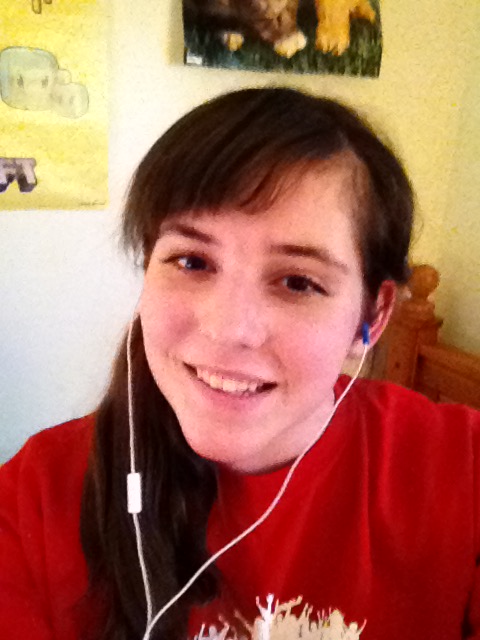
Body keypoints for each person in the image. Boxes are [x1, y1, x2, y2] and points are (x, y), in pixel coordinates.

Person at [0, 87, 479, 640]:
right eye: (192, 261)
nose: (228, 328)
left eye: (297, 281)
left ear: (372, 315)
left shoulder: (462, 474)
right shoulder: (35, 498)